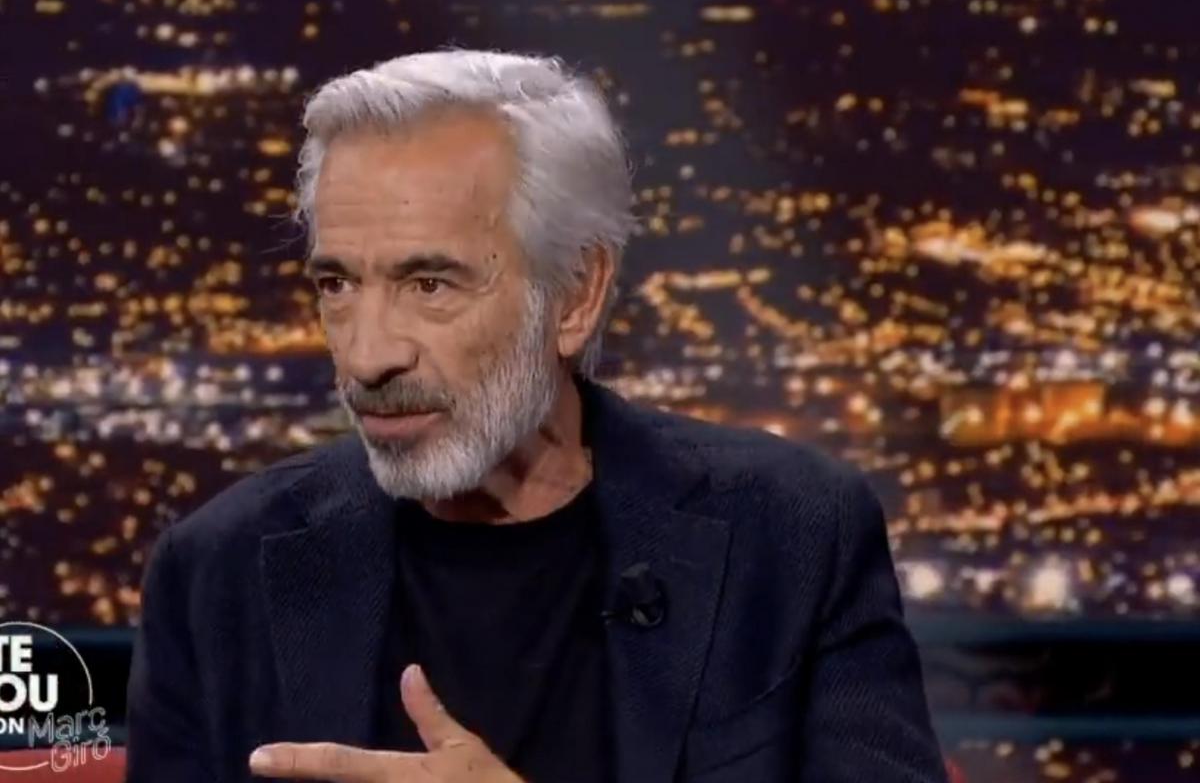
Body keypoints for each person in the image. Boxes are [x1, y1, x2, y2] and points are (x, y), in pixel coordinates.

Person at [125, 49, 948, 783]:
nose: (368, 355)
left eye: (429, 283)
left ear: (576, 296)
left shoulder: (791, 538)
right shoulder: (217, 572)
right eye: (336, 284)